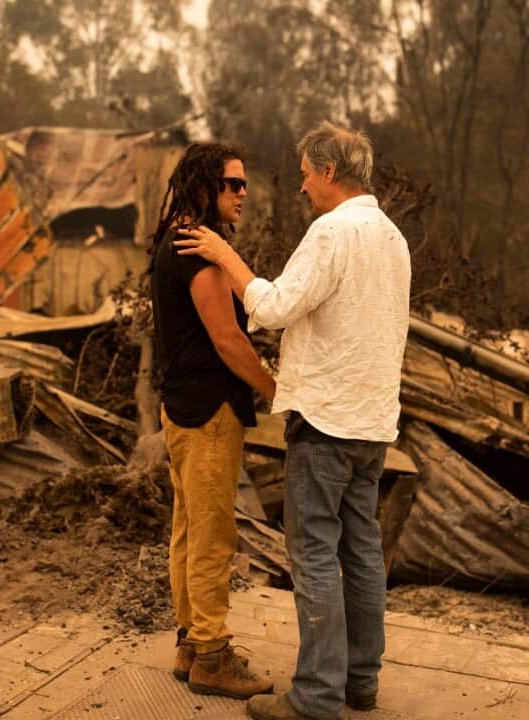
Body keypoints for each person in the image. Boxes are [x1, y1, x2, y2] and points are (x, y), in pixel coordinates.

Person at [174, 122, 411, 720]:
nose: (302, 186)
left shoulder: (332, 232)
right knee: (360, 553)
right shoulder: (391, 237)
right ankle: (360, 682)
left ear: (330, 172)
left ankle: (316, 696)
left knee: (313, 556)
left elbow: (275, 308)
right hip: (373, 423)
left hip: (326, 421)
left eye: (306, 173)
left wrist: (226, 256)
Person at [149, 142, 277, 700]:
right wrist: (278, 390)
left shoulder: (175, 239)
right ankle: (212, 656)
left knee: (188, 530)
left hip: (181, 406)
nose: (242, 193)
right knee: (212, 535)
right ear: (204, 187)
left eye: (244, 183)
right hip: (208, 412)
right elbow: (228, 339)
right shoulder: (199, 251)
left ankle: (190, 644)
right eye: (232, 184)